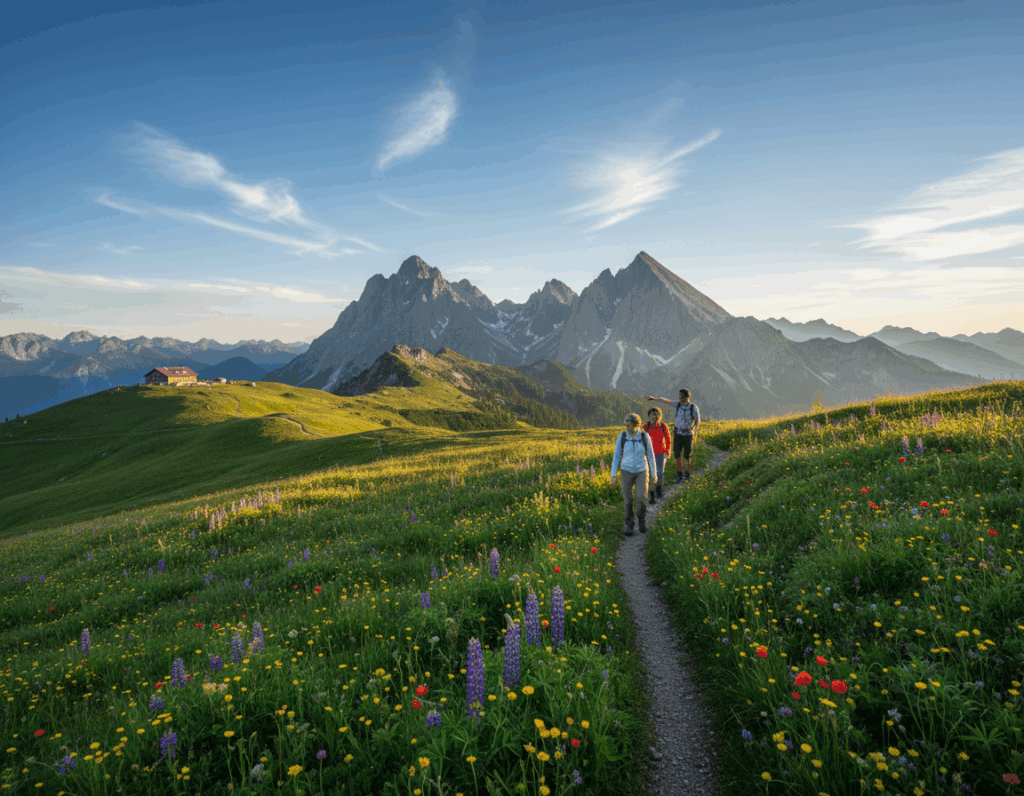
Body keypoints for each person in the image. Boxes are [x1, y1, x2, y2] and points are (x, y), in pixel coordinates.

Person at [610, 413, 657, 536]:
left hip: (642, 470)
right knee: (628, 499)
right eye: (625, 424)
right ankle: (629, 525)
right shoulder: (623, 436)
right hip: (626, 470)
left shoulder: (644, 436)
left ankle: (641, 520)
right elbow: (616, 455)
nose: (626, 427)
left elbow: (651, 456)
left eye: (628, 425)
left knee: (642, 497)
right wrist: (613, 473)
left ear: (636, 425)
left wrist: (654, 473)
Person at [646, 389, 700, 483]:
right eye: (679, 396)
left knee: (687, 455)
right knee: (677, 455)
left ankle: (686, 474)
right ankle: (679, 474)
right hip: (678, 433)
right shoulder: (678, 404)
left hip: (688, 434)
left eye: (682, 396)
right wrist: (654, 399)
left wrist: (695, 432)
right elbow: (666, 401)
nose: (680, 398)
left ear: (687, 397)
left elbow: (697, 421)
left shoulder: (693, 408)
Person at [642, 407, 672, 504]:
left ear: (659, 416)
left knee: (659, 474)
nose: (654, 416)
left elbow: (668, 439)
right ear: (649, 415)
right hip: (649, 455)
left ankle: (659, 491)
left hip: (660, 454)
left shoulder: (663, 426)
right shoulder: (645, 427)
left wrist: (668, 451)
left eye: (656, 414)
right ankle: (651, 496)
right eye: (652, 414)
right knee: (651, 475)